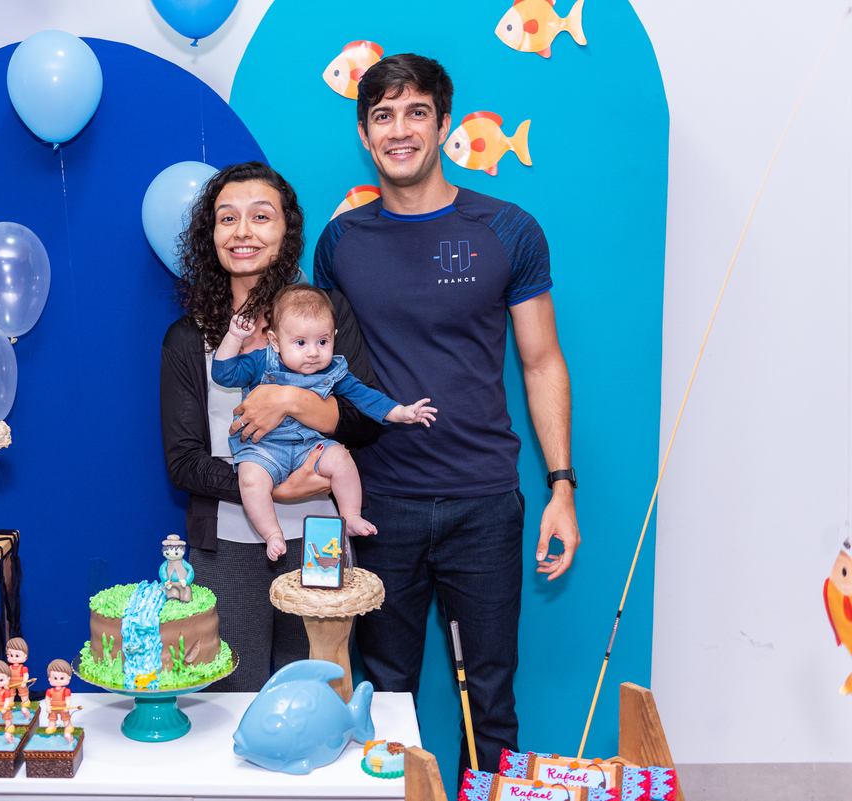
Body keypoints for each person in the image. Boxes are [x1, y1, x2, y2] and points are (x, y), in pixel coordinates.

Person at [313, 54, 580, 778]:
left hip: (483, 505)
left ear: (443, 123)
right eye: (383, 116)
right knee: (383, 699)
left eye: (416, 112)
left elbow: (541, 362)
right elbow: (320, 367)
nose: (399, 130)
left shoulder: (508, 229)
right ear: (365, 134)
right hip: (377, 508)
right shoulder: (340, 242)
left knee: (489, 700)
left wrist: (561, 486)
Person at [160, 161, 383, 692]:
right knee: (233, 696)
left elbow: (364, 422)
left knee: (319, 690)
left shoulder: (326, 315)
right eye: (227, 218)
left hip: (321, 538)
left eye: (261, 216)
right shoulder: (188, 338)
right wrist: (274, 487)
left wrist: (287, 399)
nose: (243, 232)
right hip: (227, 547)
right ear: (210, 235)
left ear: (287, 231)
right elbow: (184, 462)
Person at [212, 283, 437, 556]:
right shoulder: (261, 361)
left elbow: (366, 397)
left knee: (342, 459)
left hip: (310, 445)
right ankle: (271, 533)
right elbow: (224, 374)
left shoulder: (333, 370)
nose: (313, 353)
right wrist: (234, 338)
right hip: (263, 449)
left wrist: (401, 412)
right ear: (275, 341)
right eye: (300, 343)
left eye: (322, 341)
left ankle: (350, 515)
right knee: (250, 480)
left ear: (334, 337)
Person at [43, 659, 75, 741]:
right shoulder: (50, 691)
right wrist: (48, 706)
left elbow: (68, 699)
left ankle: (68, 727)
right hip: (53, 707)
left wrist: (67, 706)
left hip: (63, 707)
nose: (58, 681)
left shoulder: (66, 691)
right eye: (55, 678)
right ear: (49, 678)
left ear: (69, 678)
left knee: (66, 718)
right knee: (52, 718)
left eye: (62, 678)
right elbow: (47, 698)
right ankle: (52, 727)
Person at [4, 637, 31, 708]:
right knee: (10, 694)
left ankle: (25, 702)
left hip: (21, 683)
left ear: (25, 656)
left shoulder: (23, 668)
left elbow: (26, 675)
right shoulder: (8, 668)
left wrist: (24, 682)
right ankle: (10, 703)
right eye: (11, 655)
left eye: (17, 655)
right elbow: (6, 677)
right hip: (11, 683)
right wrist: (6, 684)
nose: (14, 658)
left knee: (23, 693)